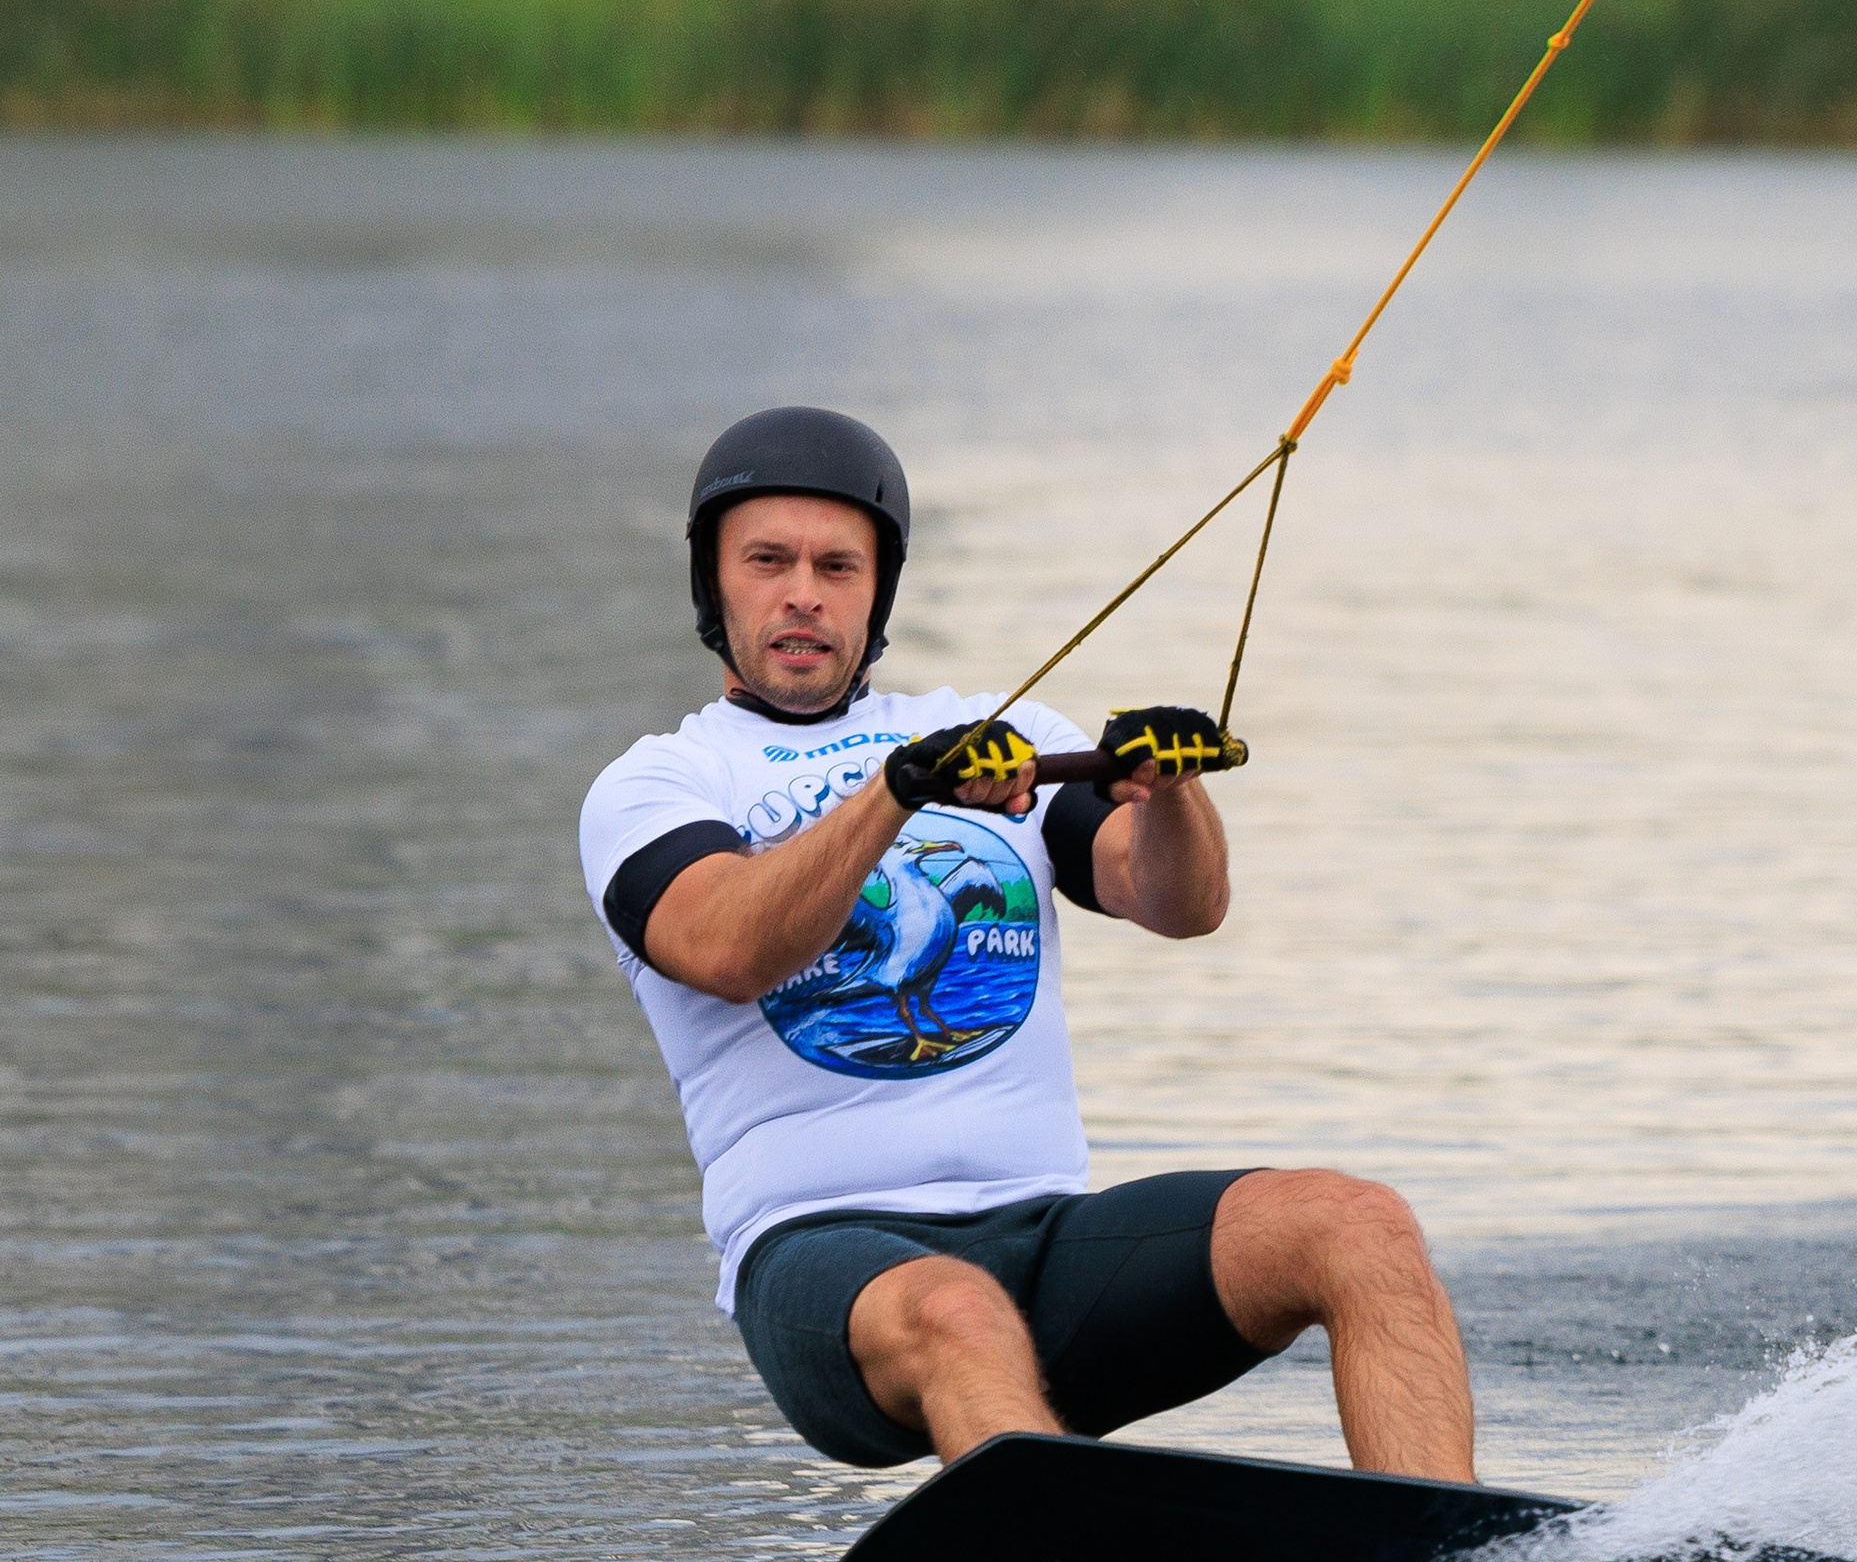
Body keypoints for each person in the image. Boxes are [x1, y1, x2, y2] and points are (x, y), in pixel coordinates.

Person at [579, 406, 1476, 1481]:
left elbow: (1176, 901)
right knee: (958, 1311)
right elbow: (728, 949)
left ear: (879, 591)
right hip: (821, 1257)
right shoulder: (658, 783)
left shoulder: (1006, 733)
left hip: (1047, 1244)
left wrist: (1169, 791)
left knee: (1358, 1225)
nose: (803, 593)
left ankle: (1453, 1561)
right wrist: (898, 791)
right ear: (713, 584)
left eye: (838, 566)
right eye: (768, 561)